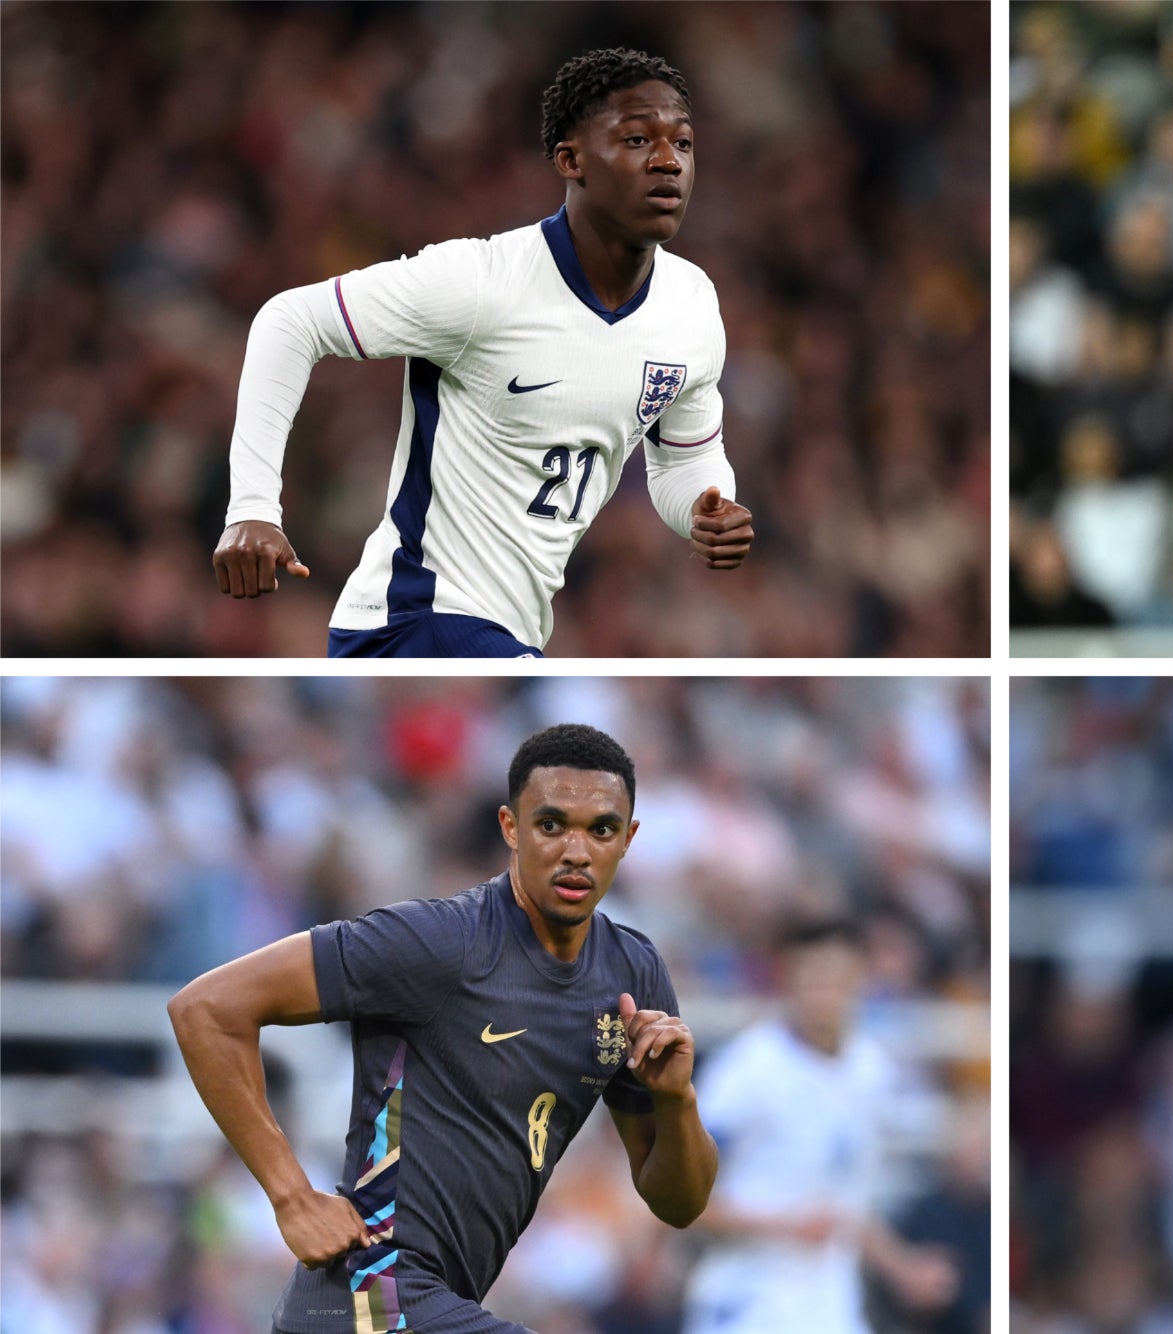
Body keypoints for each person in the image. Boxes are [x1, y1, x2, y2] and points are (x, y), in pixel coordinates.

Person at [168, 723, 717, 1333]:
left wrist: (677, 1101)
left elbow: (679, 1204)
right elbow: (206, 1009)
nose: (577, 852)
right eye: (552, 824)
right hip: (365, 1294)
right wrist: (291, 1196)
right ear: (511, 828)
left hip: (430, 1307)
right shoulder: (440, 942)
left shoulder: (631, 974)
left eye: (602, 830)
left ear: (629, 838)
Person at [211, 48, 755, 657]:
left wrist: (709, 509)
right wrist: (253, 506)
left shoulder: (692, 306)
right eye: (635, 140)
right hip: (417, 617)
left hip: (508, 629)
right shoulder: (481, 283)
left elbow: (684, 462)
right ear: (570, 160)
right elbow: (289, 321)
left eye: (681, 144)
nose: (666, 162)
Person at [682, 917, 958, 1334]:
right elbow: (680, 1200)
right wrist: (784, 1227)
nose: (824, 994)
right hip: (747, 1300)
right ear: (786, 982)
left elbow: (846, 1203)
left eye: (836, 978)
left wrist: (903, 1267)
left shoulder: (871, 1071)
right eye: (810, 979)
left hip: (830, 1305)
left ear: (860, 979)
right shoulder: (746, 1071)